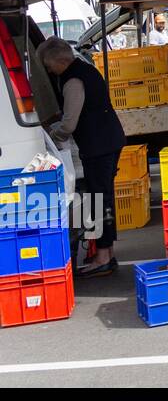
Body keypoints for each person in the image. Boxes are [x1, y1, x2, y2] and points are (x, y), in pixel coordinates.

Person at [38, 37, 126, 277]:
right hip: (107, 140)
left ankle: (103, 256)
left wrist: (51, 136)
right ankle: (106, 253)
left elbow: (69, 123)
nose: (48, 71)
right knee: (103, 195)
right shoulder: (85, 70)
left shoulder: (73, 80)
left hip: (99, 144)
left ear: (60, 61)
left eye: (48, 66)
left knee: (99, 198)